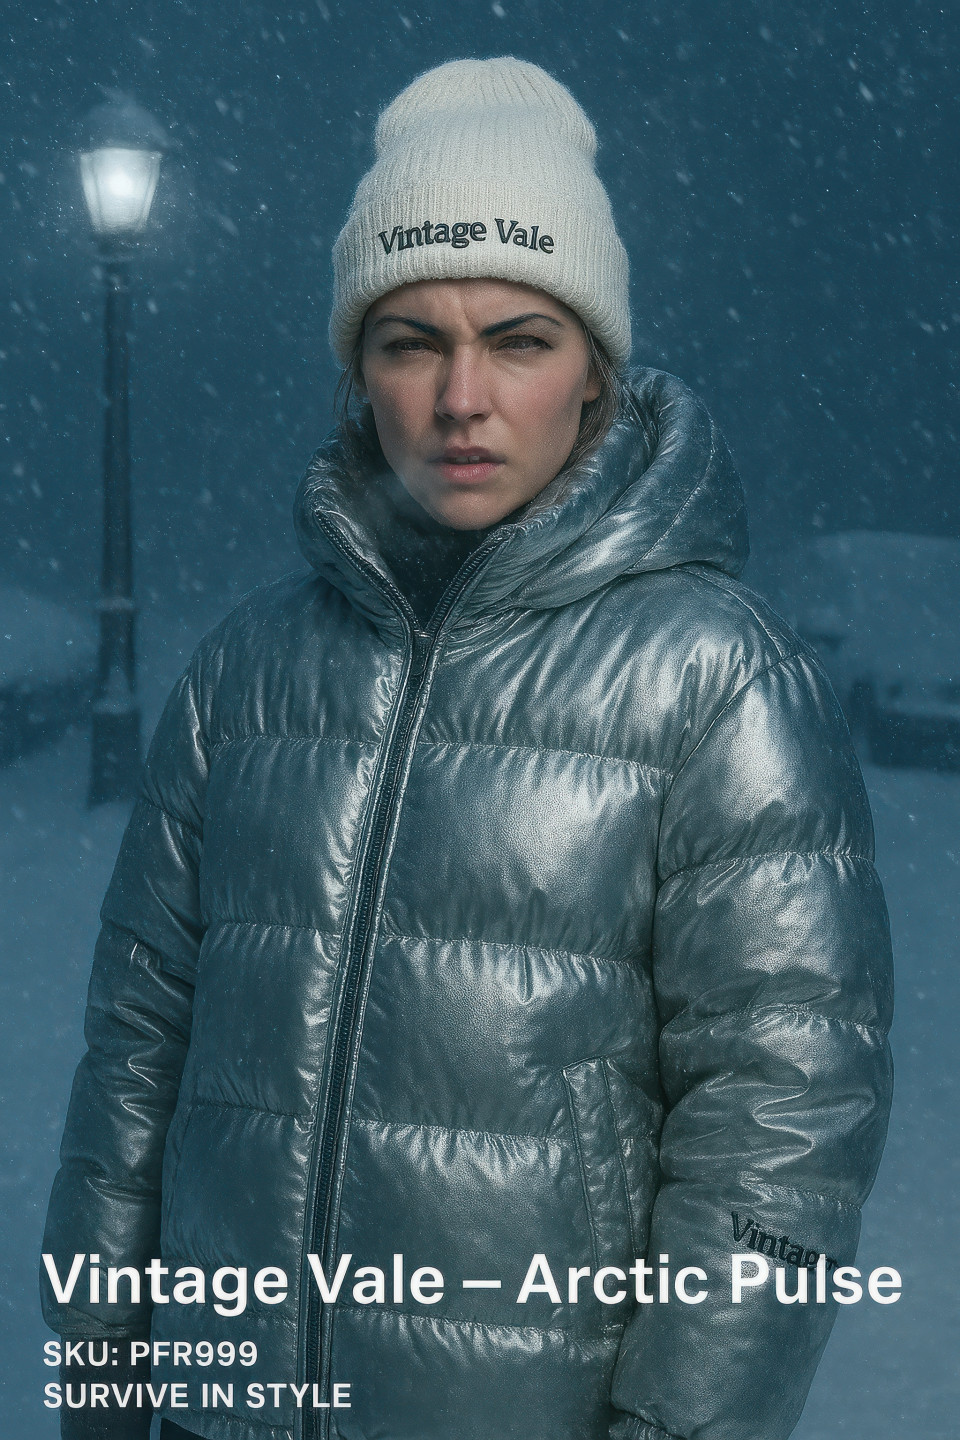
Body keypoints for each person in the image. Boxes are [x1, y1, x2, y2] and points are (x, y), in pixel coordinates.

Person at [41, 57, 894, 1440]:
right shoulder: (248, 673)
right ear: (358, 369)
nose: (461, 397)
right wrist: (102, 1374)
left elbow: (784, 1114)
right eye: (409, 341)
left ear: (596, 375)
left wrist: (679, 1424)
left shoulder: (717, 675)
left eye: (517, 337)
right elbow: (135, 1056)